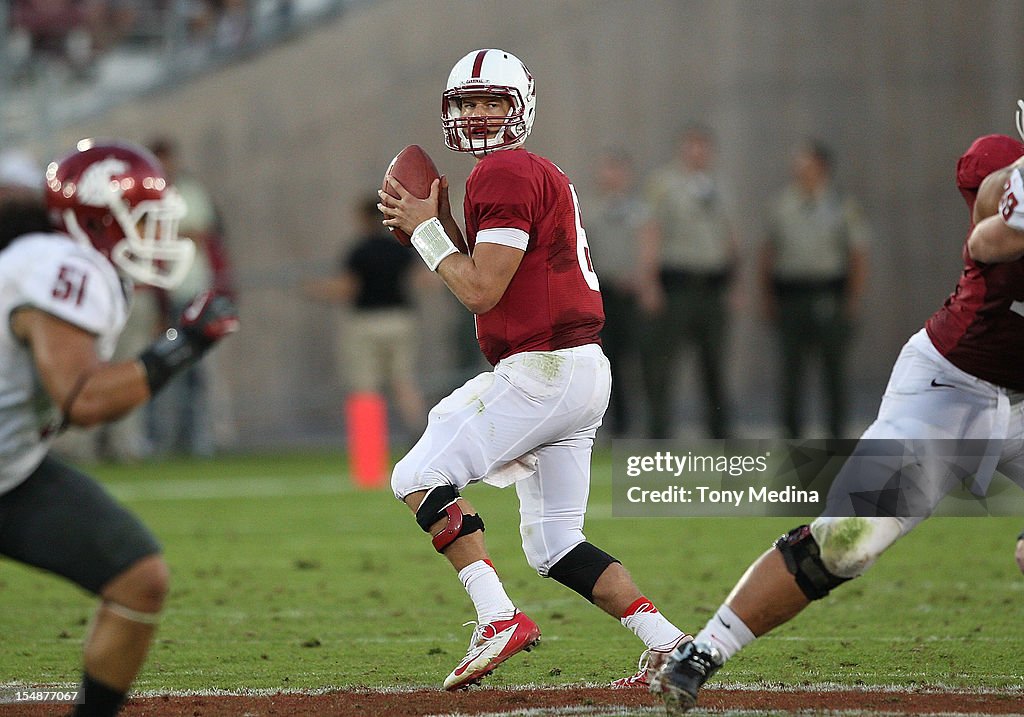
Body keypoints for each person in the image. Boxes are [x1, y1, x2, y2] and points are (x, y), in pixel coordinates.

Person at [649, 130, 1024, 714]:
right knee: (848, 541)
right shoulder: (1000, 207)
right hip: (950, 390)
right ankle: (703, 652)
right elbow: (991, 231)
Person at [378, 48, 690, 691]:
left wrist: (426, 233)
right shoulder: (524, 172)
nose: (480, 113)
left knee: (416, 473)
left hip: (544, 367)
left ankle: (496, 617)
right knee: (555, 545)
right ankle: (672, 646)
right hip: (576, 370)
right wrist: (437, 231)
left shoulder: (505, 173)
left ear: (519, 108)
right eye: (469, 102)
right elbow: (493, 279)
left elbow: (480, 291)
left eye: (493, 101)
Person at [0, 139, 238, 717]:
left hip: (12, 469)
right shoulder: (63, 265)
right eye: (143, 218)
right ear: (98, 218)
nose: (156, 233)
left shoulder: (68, 262)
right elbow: (83, 399)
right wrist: (183, 346)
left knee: (139, 579)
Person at [760, 140, 871, 438]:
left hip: (829, 295)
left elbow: (857, 254)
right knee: (791, 371)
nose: (799, 169)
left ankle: (836, 433)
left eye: (805, 163)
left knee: (833, 371)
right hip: (792, 296)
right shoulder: (782, 204)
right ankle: (791, 433)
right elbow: (768, 253)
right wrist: (768, 297)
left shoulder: (841, 205)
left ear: (822, 166)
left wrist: (853, 299)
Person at [641, 125, 738, 439]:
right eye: (692, 146)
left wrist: (734, 283)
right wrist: (650, 282)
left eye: (703, 147)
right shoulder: (665, 185)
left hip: (711, 284)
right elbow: (652, 232)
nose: (697, 153)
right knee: (664, 362)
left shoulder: (718, 187)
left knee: (715, 363)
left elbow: (728, 237)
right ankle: (660, 431)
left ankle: (719, 431)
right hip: (677, 284)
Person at [305, 196, 427, 436]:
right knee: (404, 382)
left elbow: (347, 289)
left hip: (366, 322)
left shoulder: (359, 251)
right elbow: (422, 280)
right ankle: (421, 436)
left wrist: (314, 290)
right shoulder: (400, 248)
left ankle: (370, 453)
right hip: (400, 318)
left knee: (365, 388)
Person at [147, 136, 235, 457]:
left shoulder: (190, 190)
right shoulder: (148, 192)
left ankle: (209, 441)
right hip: (165, 294)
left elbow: (203, 231)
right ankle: (164, 442)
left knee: (205, 373)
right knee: (164, 371)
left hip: (199, 294)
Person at [581, 149, 656, 437]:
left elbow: (649, 244)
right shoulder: (591, 210)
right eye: (608, 170)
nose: (612, 176)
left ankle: (648, 424)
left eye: (618, 170)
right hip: (603, 294)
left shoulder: (639, 210)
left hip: (631, 294)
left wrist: (646, 282)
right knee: (605, 362)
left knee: (639, 360)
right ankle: (614, 426)